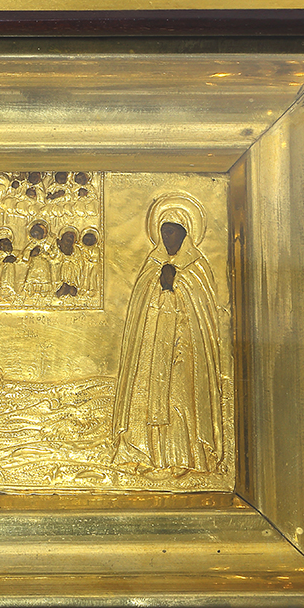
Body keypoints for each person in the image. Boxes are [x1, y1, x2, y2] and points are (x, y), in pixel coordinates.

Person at [112, 192, 224, 474]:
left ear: (185, 233)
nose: (166, 238)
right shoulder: (151, 264)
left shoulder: (197, 268)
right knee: (147, 400)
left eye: (172, 232)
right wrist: (159, 284)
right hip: (152, 347)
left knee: (180, 400)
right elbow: (140, 306)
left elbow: (202, 311)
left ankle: (185, 459)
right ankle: (147, 455)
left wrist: (178, 284)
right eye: (163, 232)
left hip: (183, 348)